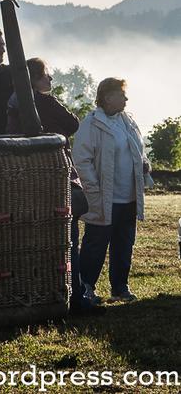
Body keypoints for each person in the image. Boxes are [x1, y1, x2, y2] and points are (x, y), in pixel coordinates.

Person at [7, 58, 97, 313]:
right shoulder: (47, 102)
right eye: (46, 75)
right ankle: (76, 296)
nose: (50, 80)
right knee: (69, 242)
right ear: (35, 79)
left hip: (26, 176)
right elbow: (73, 124)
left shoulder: (13, 104)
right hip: (56, 175)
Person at [73, 77, 152, 304]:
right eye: (121, 94)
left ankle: (120, 287)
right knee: (95, 244)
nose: (126, 99)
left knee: (124, 244)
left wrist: (145, 164)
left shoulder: (128, 122)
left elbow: (140, 151)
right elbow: (82, 159)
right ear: (108, 97)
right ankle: (86, 287)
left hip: (129, 196)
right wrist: (93, 189)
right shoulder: (91, 123)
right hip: (104, 197)